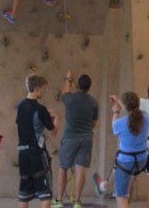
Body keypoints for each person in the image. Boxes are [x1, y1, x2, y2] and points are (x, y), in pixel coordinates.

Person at [53, 71, 98, 208]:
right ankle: (77, 201)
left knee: (63, 167)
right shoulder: (93, 102)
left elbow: (64, 92)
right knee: (80, 167)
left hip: (70, 137)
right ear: (89, 87)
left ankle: (59, 200)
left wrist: (67, 78)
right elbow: (94, 123)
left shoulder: (70, 98)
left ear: (78, 85)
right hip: (87, 138)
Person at [18, 74, 59, 208]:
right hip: (37, 154)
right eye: (44, 89)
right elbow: (53, 131)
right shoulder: (40, 109)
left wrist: (46, 113)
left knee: (24, 194)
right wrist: (57, 118)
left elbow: (27, 120)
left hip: (22, 154)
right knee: (45, 193)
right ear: (37, 88)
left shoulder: (20, 106)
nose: (44, 92)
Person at [111, 91, 149, 208]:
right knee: (125, 187)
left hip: (126, 162)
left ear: (124, 106)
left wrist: (116, 111)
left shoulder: (120, 123)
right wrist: (119, 101)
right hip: (142, 160)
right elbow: (131, 109)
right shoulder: (145, 116)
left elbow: (114, 126)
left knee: (120, 195)